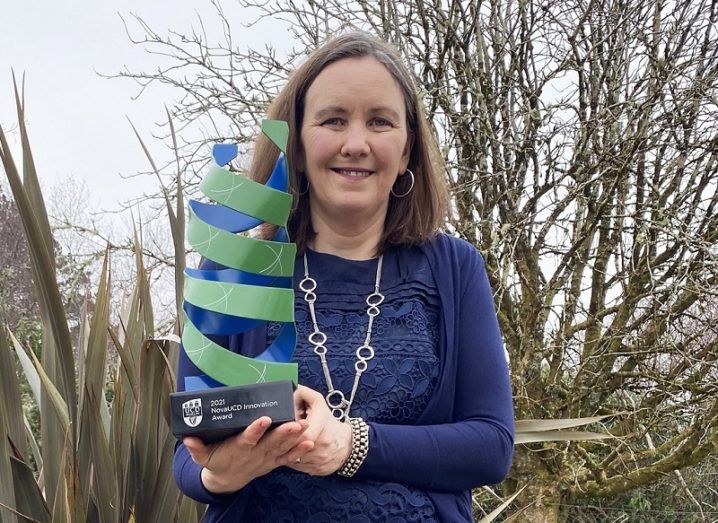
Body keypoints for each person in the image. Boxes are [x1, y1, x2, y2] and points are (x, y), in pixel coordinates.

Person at [173, 31, 514, 522]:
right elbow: (188, 447)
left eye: (379, 121)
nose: (356, 144)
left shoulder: (455, 269)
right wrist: (219, 474)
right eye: (333, 120)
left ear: (406, 152)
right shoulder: (234, 271)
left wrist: (351, 444)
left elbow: (491, 444)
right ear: (296, 141)